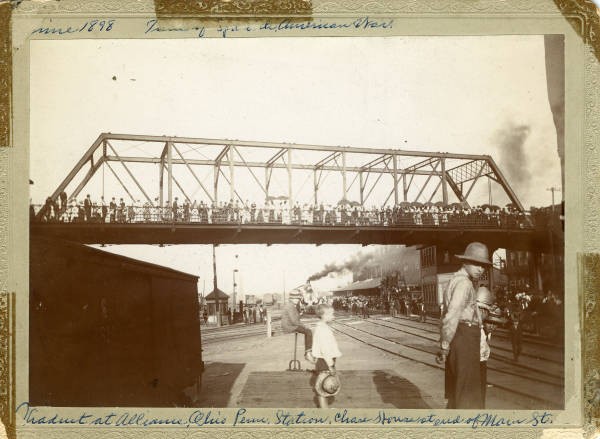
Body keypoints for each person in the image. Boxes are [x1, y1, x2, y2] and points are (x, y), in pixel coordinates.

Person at [439, 242, 492, 409]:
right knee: (468, 395)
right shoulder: (463, 284)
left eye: (483, 265)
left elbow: (446, 314)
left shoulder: (455, 280)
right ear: (466, 262)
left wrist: (446, 343)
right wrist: (444, 345)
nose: (481, 269)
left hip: (460, 337)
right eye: (477, 263)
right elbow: (452, 314)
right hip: (465, 338)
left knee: (459, 391)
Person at [311, 303, 342, 408]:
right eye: (331, 314)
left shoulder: (322, 327)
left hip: (324, 360)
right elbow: (325, 350)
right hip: (325, 361)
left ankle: (325, 409)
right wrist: (331, 365)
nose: (334, 316)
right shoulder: (323, 330)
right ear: (324, 315)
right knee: (323, 385)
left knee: (325, 383)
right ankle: (325, 412)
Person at [281, 292, 314, 362]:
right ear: (291, 299)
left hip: (290, 325)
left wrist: (300, 314)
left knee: (307, 330)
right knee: (309, 331)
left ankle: (308, 352)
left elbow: (295, 318)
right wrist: (304, 326)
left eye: (298, 298)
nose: (297, 300)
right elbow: (294, 321)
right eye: (295, 298)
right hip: (289, 326)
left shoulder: (291, 305)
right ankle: (308, 353)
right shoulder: (290, 306)